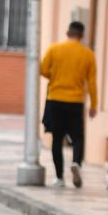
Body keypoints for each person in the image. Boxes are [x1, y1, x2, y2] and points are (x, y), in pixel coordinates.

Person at [41, 21, 98, 188]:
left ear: (67, 33)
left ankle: (59, 178)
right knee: (78, 137)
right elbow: (92, 82)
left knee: (57, 139)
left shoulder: (54, 49)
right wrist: (94, 104)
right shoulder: (88, 54)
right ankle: (76, 163)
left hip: (55, 99)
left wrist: (55, 75)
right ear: (82, 35)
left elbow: (43, 70)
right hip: (75, 101)